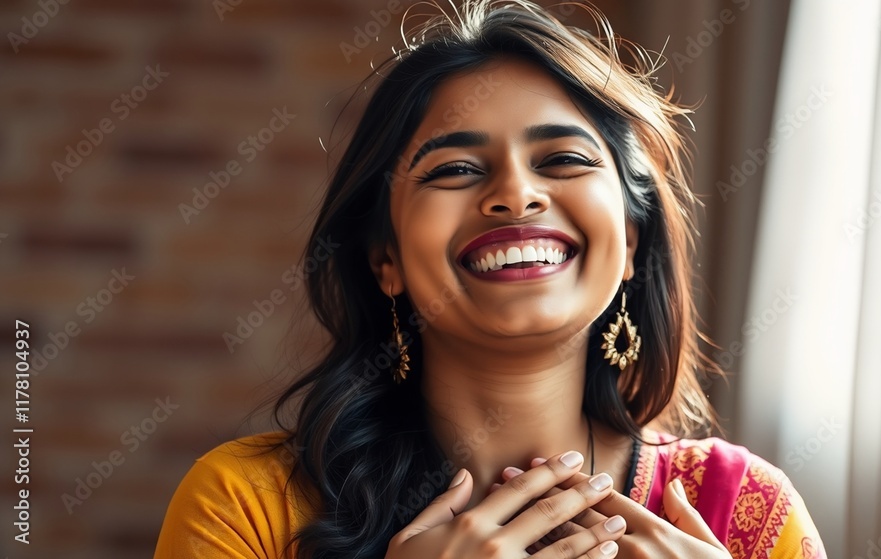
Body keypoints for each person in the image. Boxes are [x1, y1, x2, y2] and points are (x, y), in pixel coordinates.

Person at [153, 1, 827, 558]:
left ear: (629, 240)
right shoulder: (248, 505)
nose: (515, 193)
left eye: (562, 157)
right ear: (383, 256)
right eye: (454, 169)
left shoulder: (747, 511)